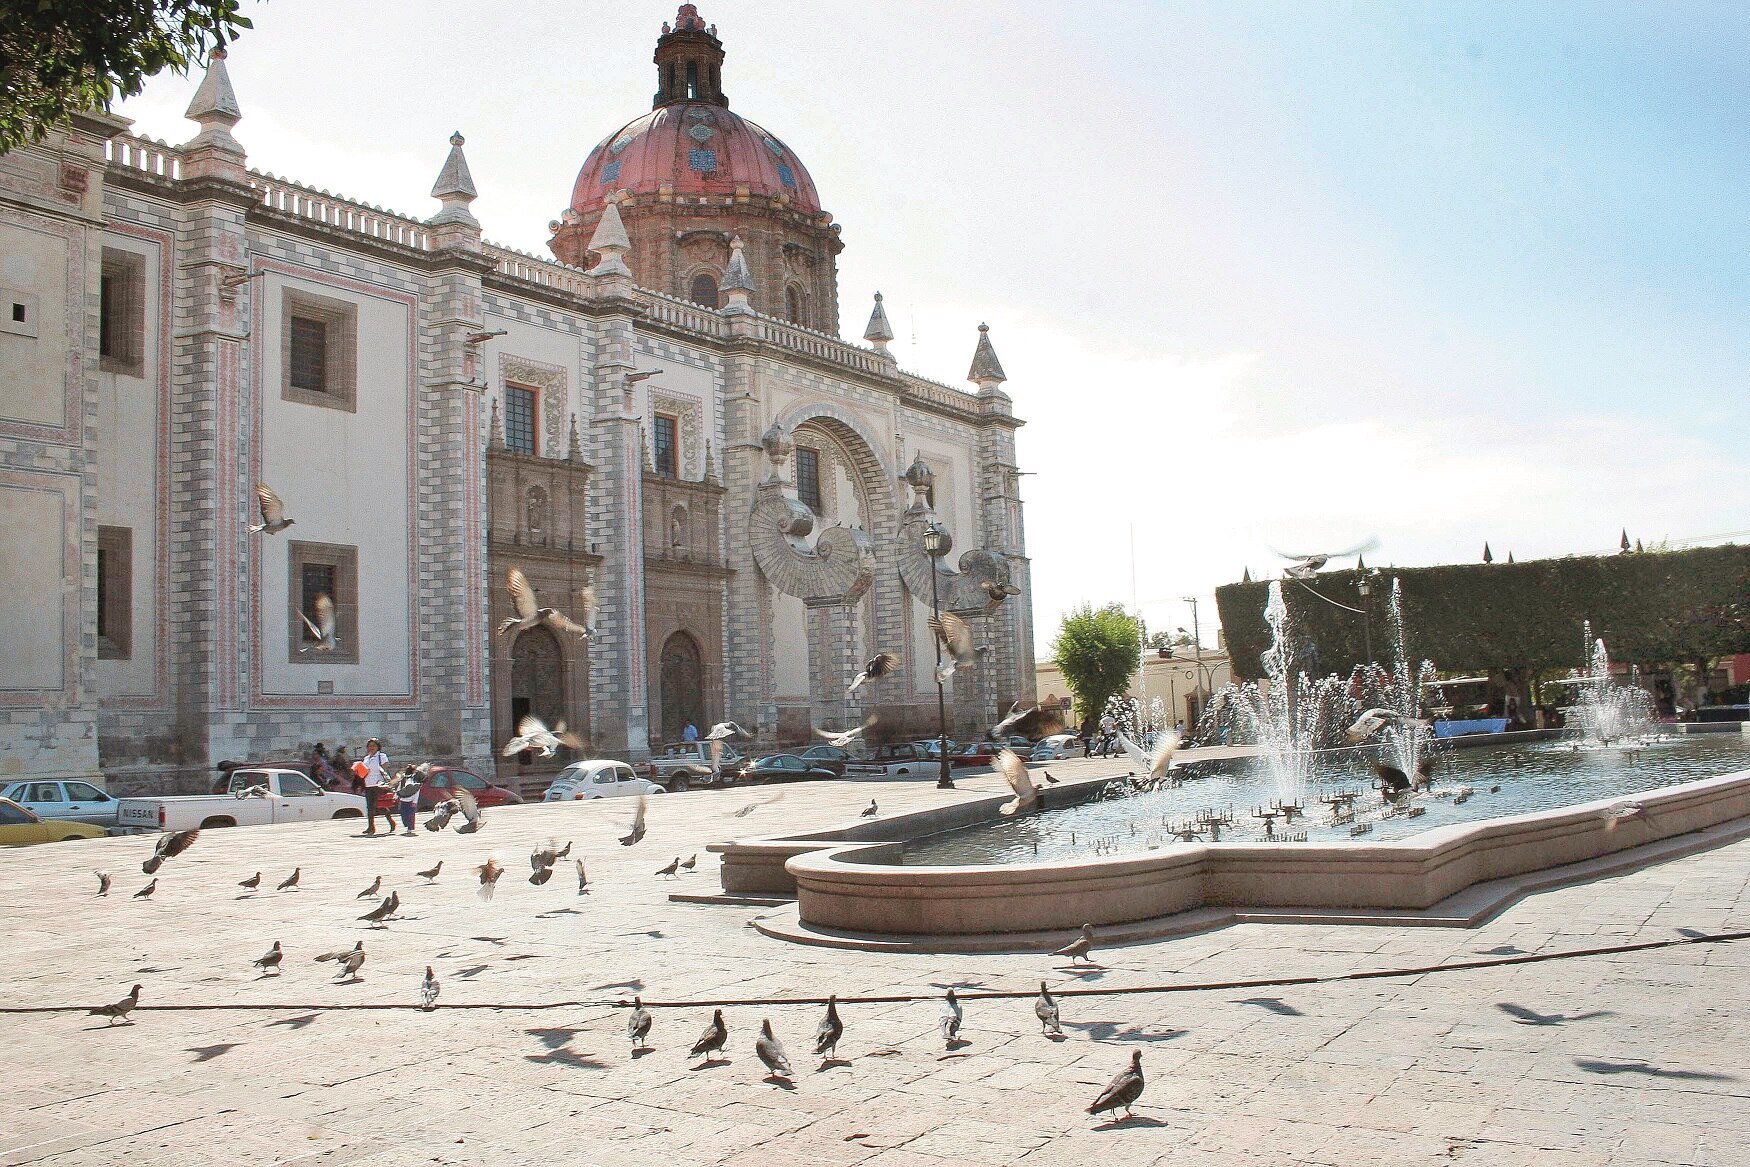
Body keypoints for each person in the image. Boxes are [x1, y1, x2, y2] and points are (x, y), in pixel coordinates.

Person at [359, 738, 392, 836]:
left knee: (380, 806)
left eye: (373, 746)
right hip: (368, 784)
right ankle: (371, 827)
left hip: (378, 784)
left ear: (377, 747)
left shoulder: (381, 756)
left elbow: (385, 768)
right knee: (369, 807)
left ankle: (391, 821)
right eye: (369, 746)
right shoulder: (366, 758)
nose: (371, 748)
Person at [395, 768, 420, 836]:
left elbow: (417, 792)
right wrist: (396, 797)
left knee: (411, 815)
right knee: (403, 815)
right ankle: (406, 824)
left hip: (411, 801)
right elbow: (399, 789)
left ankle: (410, 827)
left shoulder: (416, 781)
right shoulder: (403, 781)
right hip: (403, 800)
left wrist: (415, 802)